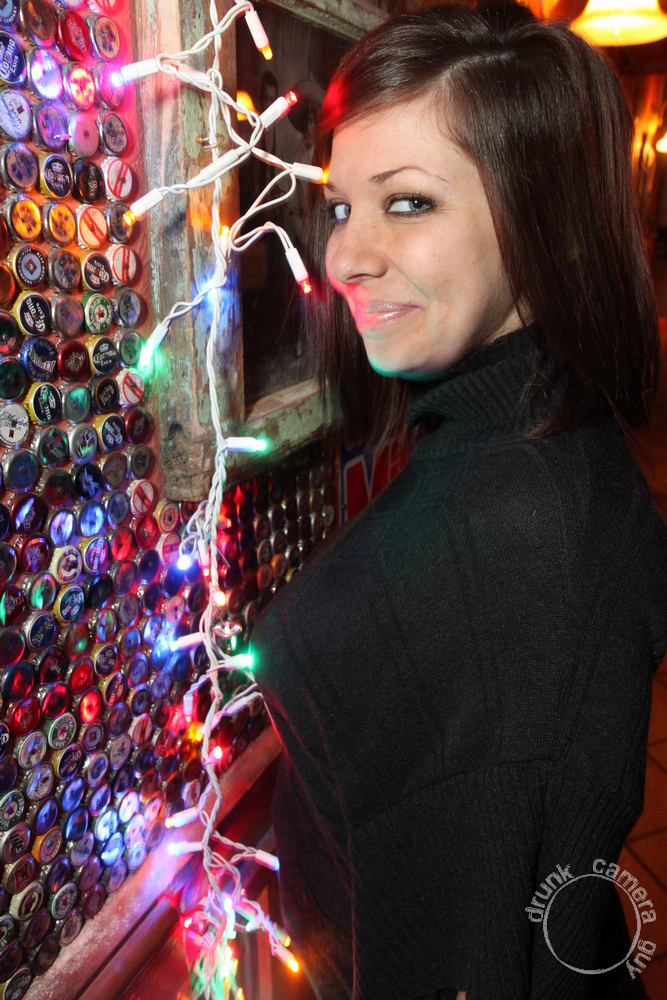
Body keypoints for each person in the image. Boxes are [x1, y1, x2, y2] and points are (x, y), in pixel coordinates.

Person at [251, 3, 667, 998]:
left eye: (407, 203)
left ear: (538, 218)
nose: (343, 258)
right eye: (340, 207)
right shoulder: (540, 434)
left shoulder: (515, 549)